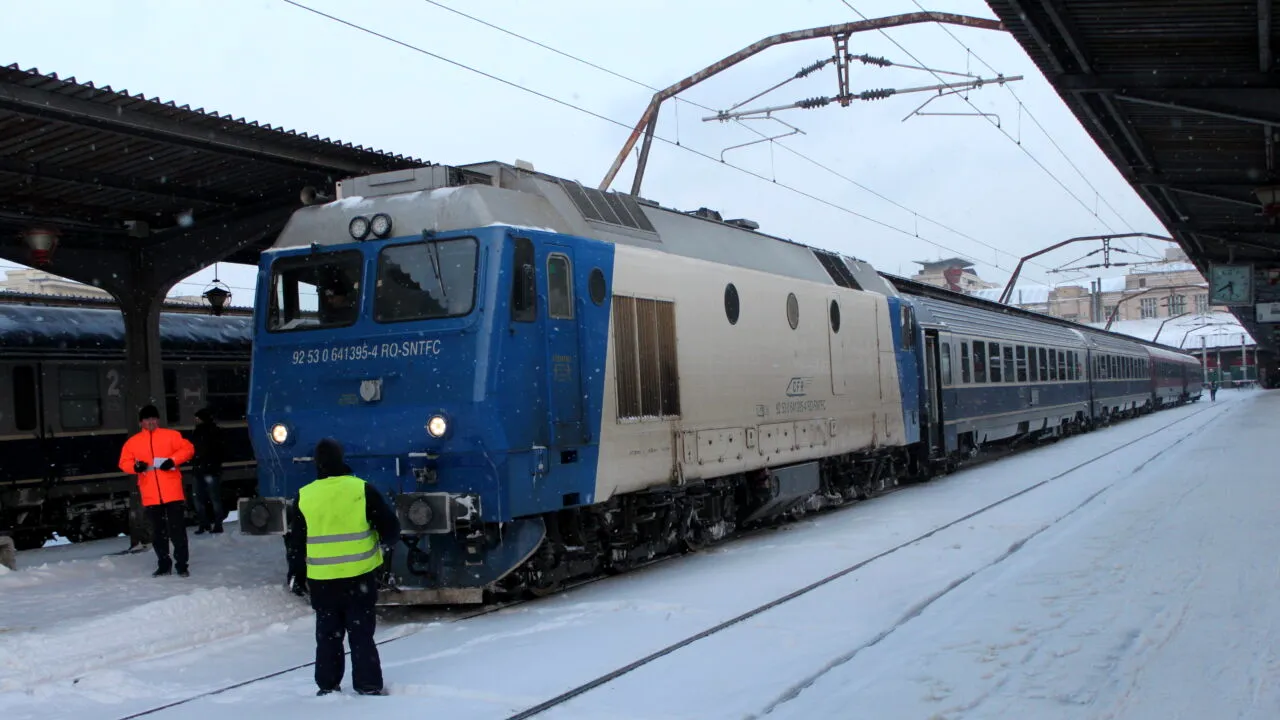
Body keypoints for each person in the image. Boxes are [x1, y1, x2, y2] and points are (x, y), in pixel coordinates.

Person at [284, 438, 400, 697]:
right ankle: (367, 684)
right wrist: (385, 546)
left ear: (317, 464)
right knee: (361, 635)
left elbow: (296, 542)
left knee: (327, 636)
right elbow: (390, 528)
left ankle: (327, 685)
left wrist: (296, 573)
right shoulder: (361, 489)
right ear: (342, 459)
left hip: (323, 581)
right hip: (359, 577)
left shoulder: (305, 495)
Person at [118, 405, 195, 577]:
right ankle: (164, 564)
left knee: (177, 531)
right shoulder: (133, 442)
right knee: (158, 533)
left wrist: (173, 460)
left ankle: (182, 565)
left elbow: (188, 449)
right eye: (147, 419)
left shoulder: (171, 436)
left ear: (158, 420)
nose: (151, 422)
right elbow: (124, 462)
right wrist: (135, 467)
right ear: (141, 422)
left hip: (172, 492)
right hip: (151, 495)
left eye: (153, 418)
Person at [188, 408, 225, 534]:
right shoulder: (212, 431)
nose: (196, 420)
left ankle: (207, 524)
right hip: (208, 470)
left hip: (204, 469)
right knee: (212, 498)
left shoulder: (201, 432)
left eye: (198, 418)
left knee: (200, 498)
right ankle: (213, 524)